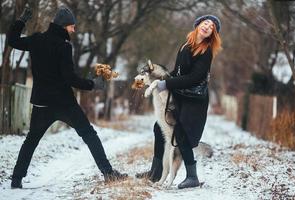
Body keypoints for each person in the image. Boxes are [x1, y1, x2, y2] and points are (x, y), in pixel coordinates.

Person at [8, 6, 128, 189]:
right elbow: (70, 78)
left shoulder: (37, 40)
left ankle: (16, 180)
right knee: (89, 134)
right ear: (64, 26)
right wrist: (93, 84)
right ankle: (108, 173)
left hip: (41, 103)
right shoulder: (64, 46)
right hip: (64, 104)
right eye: (72, 26)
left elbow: (13, 40)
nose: (74, 30)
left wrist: (20, 21)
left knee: (31, 140)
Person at [135, 15, 222, 189]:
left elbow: (194, 78)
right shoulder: (186, 45)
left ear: (212, 34)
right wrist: (156, 79)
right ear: (198, 25)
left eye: (211, 26)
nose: (207, 26)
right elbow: (178, 72)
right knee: (158, 129)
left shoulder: (206, 51)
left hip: (194, 99)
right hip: (181, 95)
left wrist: (166, 83)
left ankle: (192, 176)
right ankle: (156, 172)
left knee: (182, 134)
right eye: (205, 23)